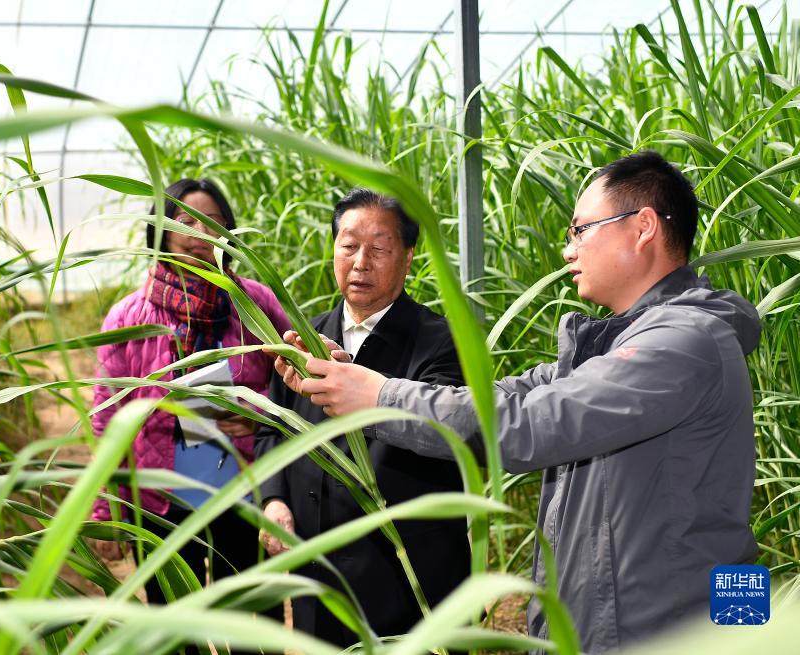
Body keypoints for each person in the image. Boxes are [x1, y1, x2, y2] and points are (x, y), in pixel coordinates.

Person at [273, 152, 761, 653]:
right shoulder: (614, 345)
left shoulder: (683, 342)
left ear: (643, 227)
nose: (568, 251)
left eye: (580, 230)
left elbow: (529, 424)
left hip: (674, 631)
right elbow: (503, 397)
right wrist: (352, 379)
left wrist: (379, 397)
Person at [253, 188, 471, 647]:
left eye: (379, 248)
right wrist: (273, 500)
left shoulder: (444, 343)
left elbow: (446, 433)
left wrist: (352, 377)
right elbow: (270, 429)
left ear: (408, 258)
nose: (360, 262)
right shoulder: (304, 339)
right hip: (318, 576)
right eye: (349, 245)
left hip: (407, 579)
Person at [91, 178, 290, 603]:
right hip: (160, 505)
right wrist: (106, 509)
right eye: (187, 221)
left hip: (245, 496)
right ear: (161, 232)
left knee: (251, 621)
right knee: (174, 626)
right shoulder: (128, 318)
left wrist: (258, 415)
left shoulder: (255, 303)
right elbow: (107, 420)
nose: (200, 233)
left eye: (212, 222)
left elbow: (295, 383)